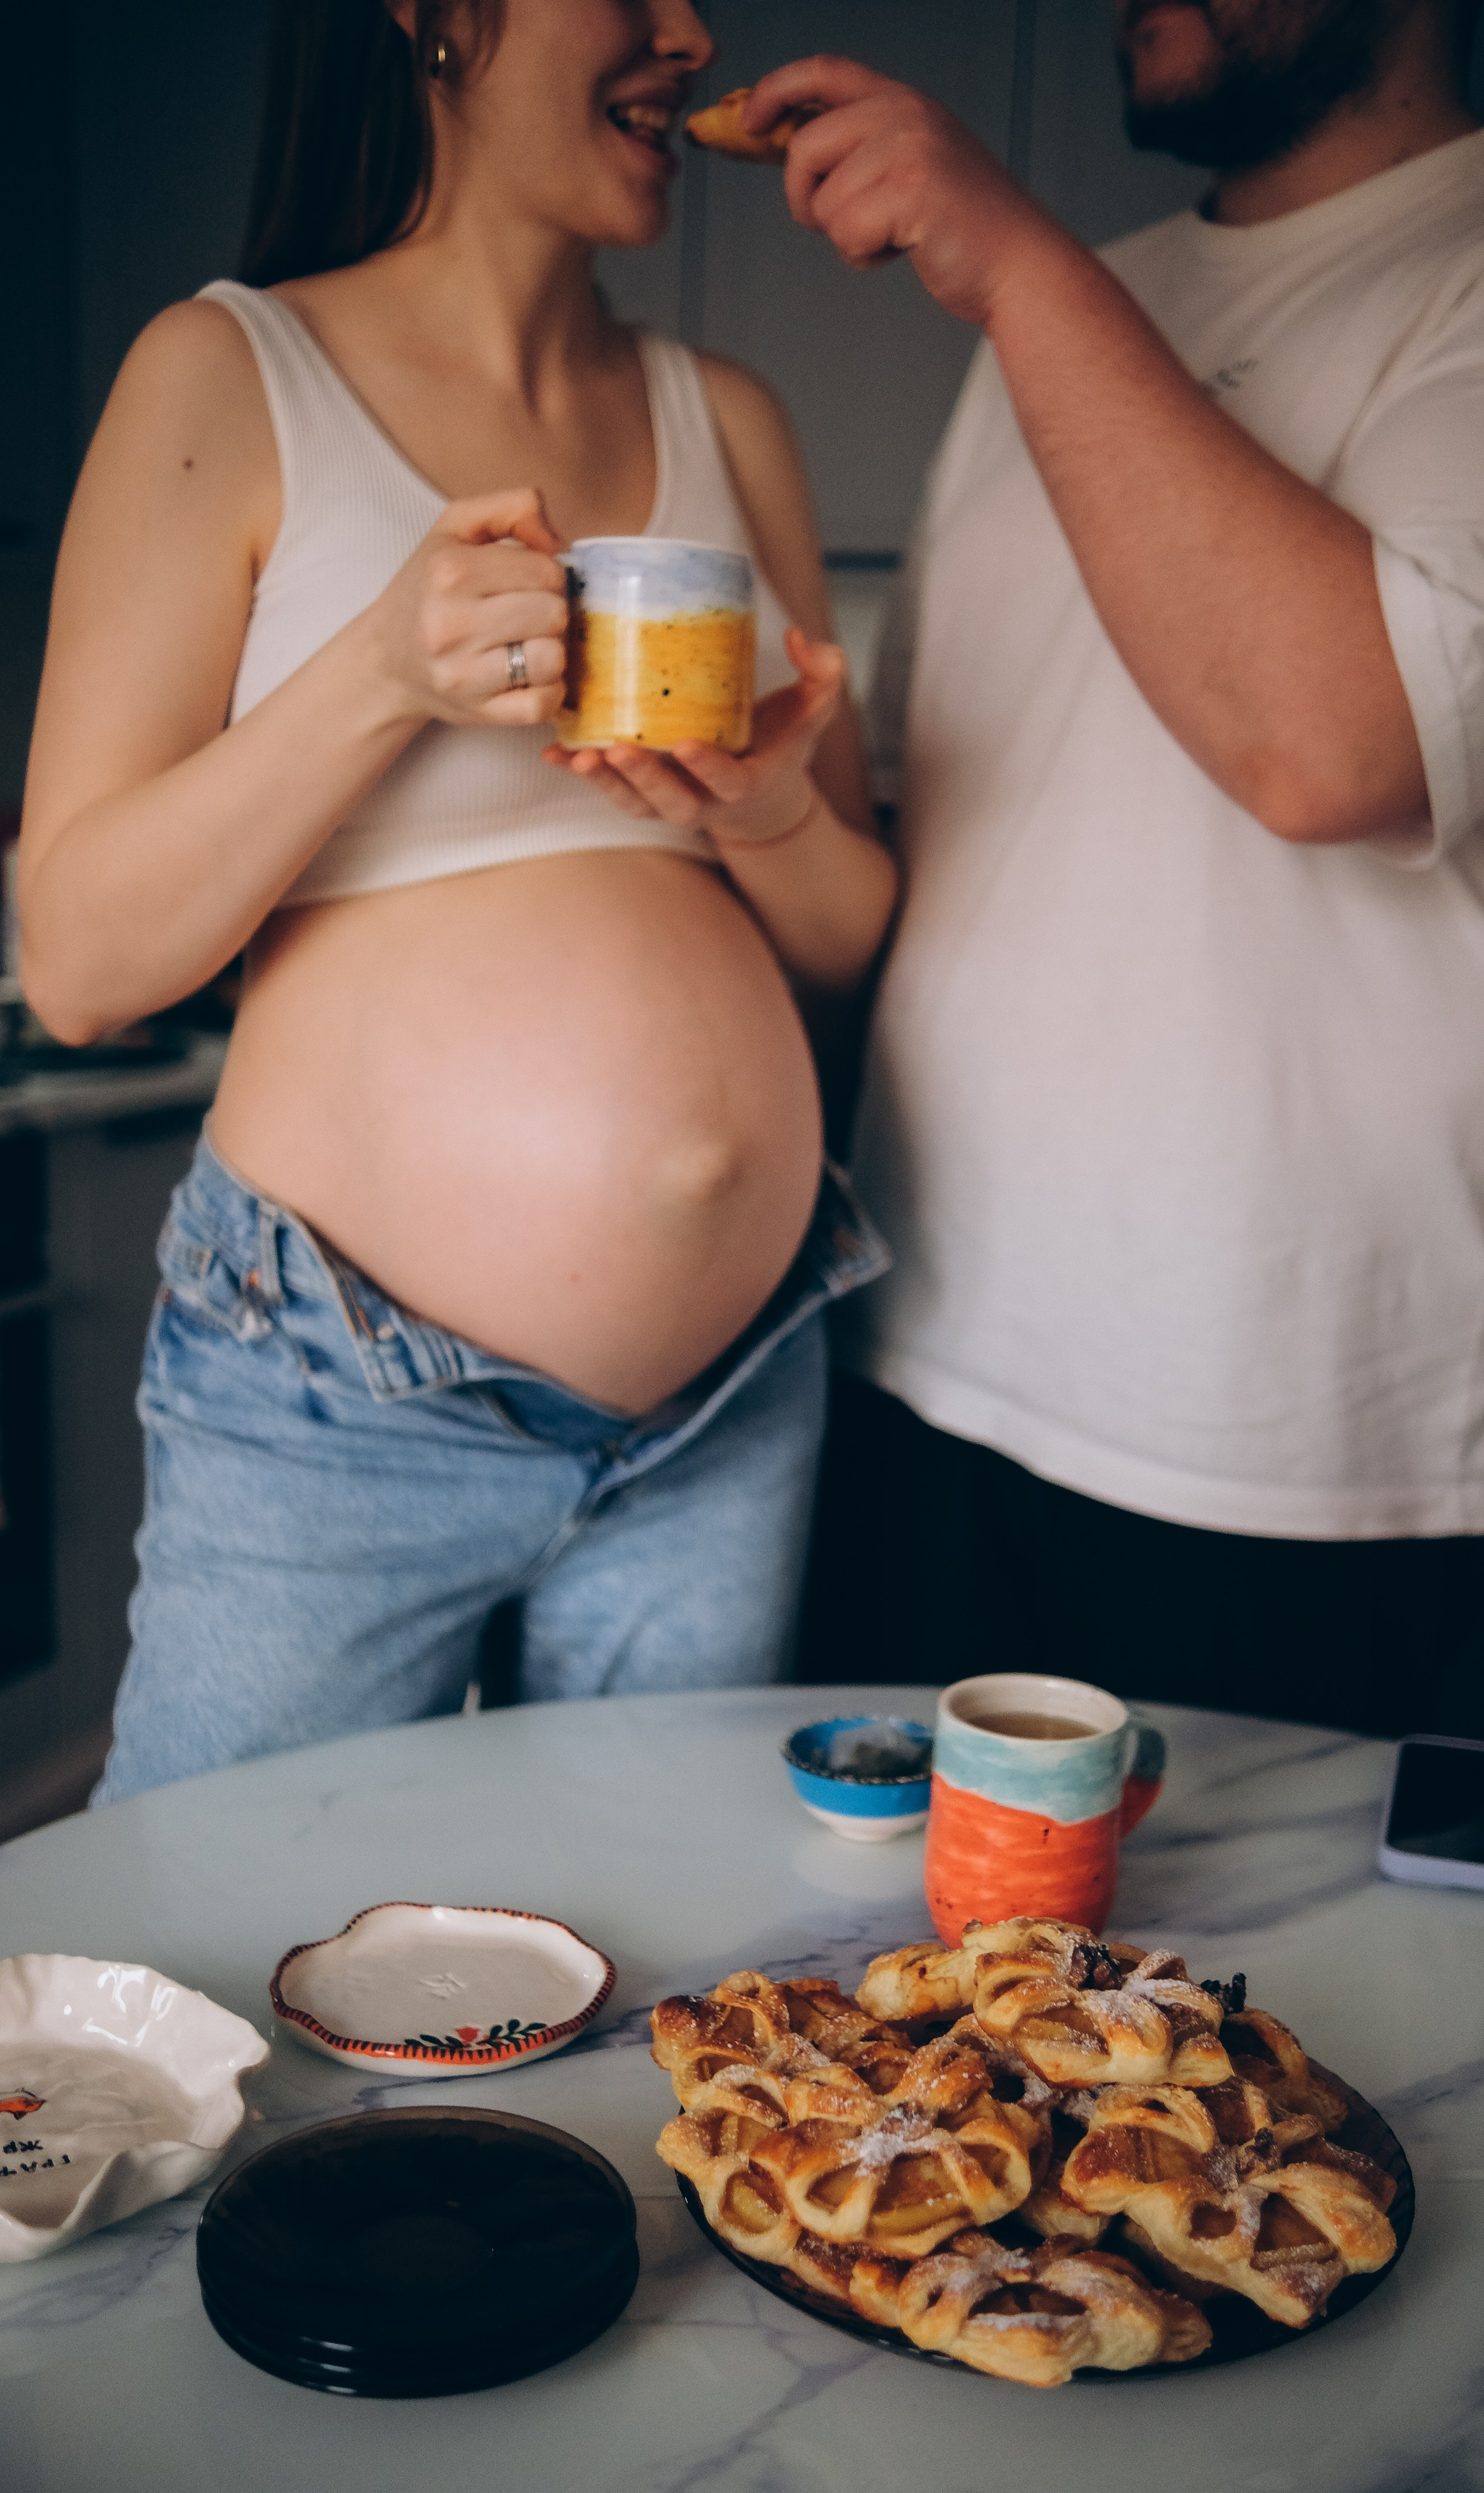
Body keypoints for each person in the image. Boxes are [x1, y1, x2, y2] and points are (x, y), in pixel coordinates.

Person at [18, 0, 895, 1800]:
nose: (689, 31)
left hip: (727, 1399)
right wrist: (377, 678)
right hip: (337, 1401)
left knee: (667, 1983)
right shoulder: (226, 374)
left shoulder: (726, 416)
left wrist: (771, 806)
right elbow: (80, 965)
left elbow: (846, 931)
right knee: (212, 1978)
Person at [756, 3, 1484, 1731]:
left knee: (1219, 2003)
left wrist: (1017, 268)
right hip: (909, 1348)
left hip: (1266, 1423)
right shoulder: (1076, 290)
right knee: (861, 1988)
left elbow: (1331, 746)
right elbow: (939, 826)